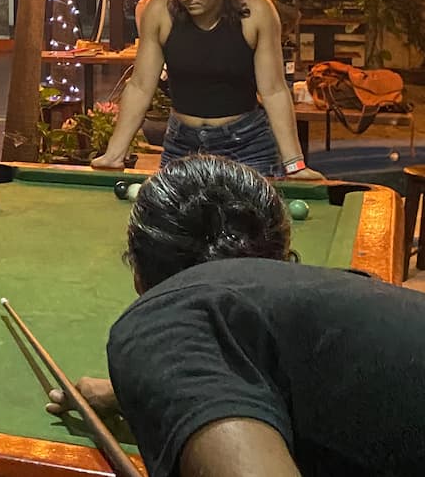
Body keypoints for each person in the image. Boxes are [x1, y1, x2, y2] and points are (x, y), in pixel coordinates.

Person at [46, 154, 425, 476]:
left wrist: (169, 362)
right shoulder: (348, 296)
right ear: (279, 256)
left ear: (138, 275)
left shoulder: (166, 317)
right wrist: (142, 391)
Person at [91, 0, 322, 180]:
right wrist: (114, 154)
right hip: (182, 144)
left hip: (246, 145)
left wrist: (295, 164)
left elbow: (274, 90)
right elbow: (140, 86)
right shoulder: (159, 11)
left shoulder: (256, 13)